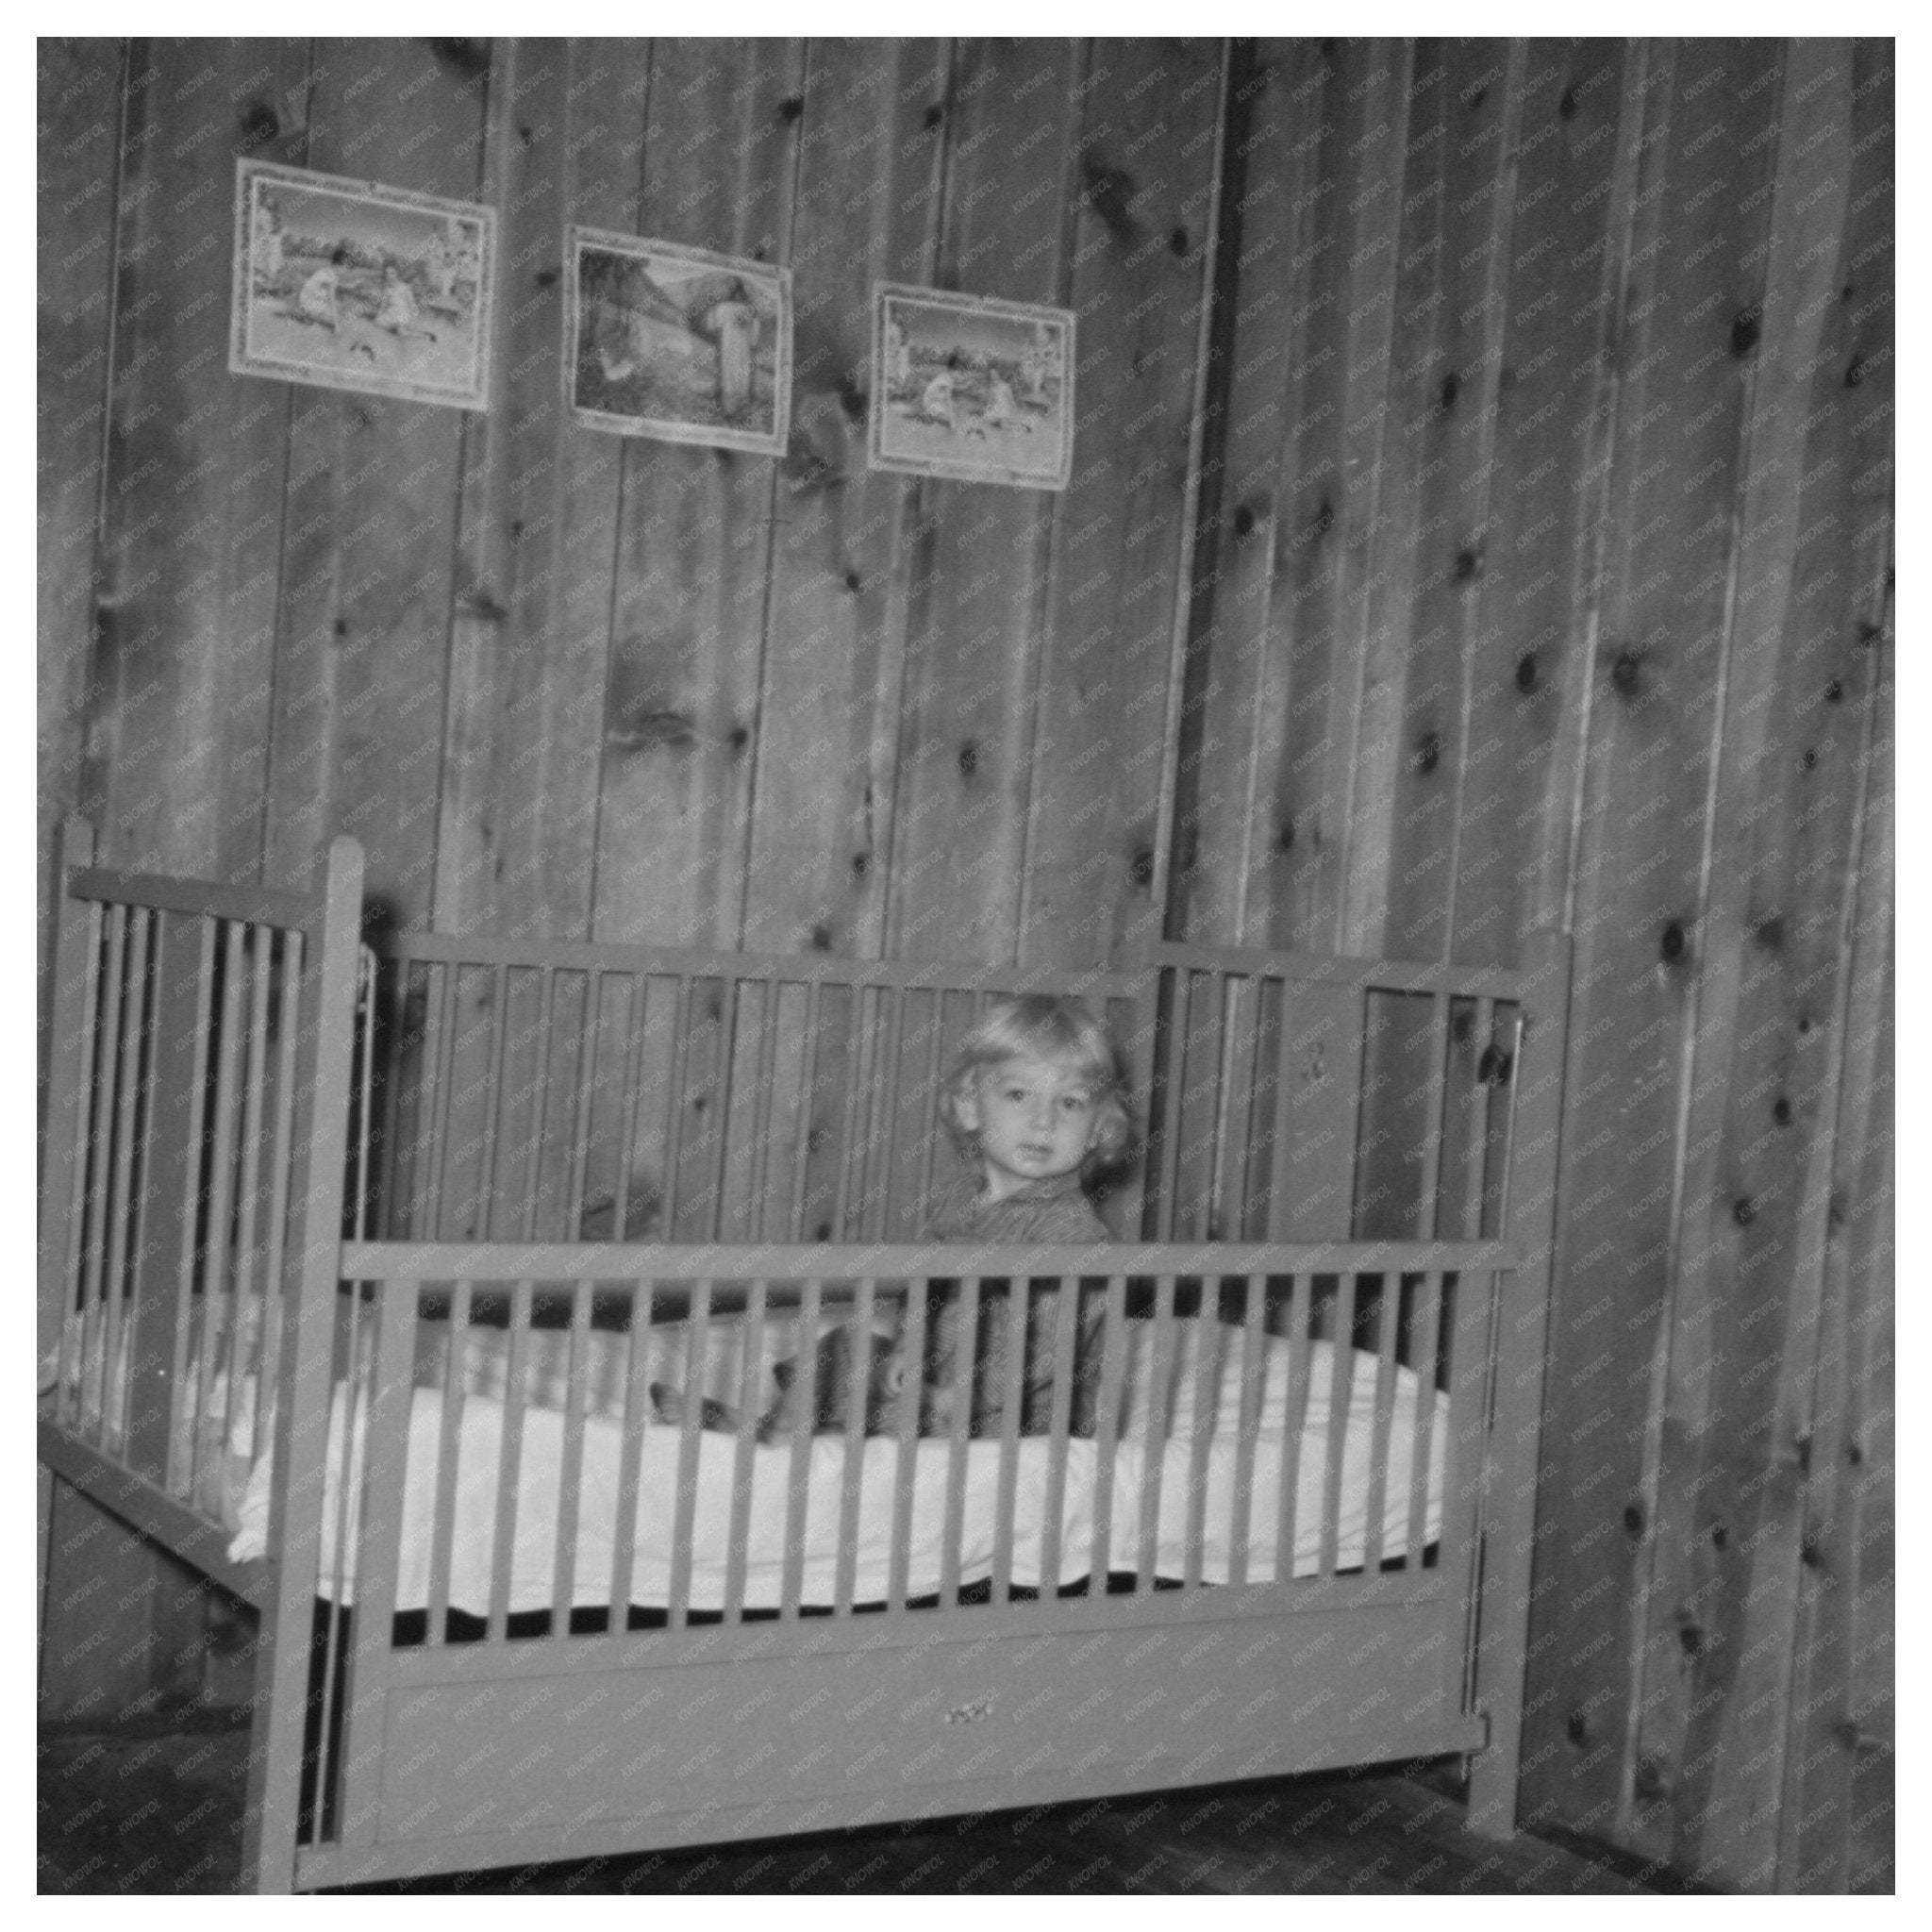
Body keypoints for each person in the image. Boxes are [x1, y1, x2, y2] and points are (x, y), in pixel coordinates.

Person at [649, 994, 1132, 1441]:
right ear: (969, 1109)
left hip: (1024, 1419)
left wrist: (954, 1397)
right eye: (1018, 1095)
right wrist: (909, 1348)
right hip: (943, 1380)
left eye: (1070, 1103)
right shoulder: (958, 1200)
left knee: (886, 1403)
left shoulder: (1072, 1233)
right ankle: (775, 1428)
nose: (1044, 1121)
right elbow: (924, 1292)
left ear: (1097, 1130)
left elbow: (1043, 1352)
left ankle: (793, 1438)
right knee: (850, 1346)